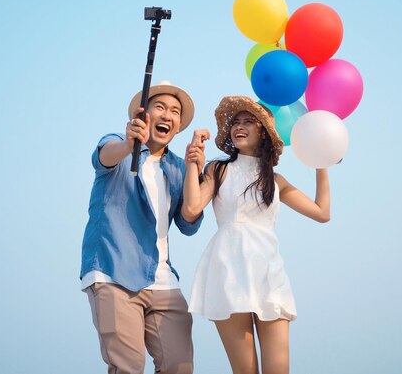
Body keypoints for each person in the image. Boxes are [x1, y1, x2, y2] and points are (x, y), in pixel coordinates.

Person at [182, 96, 331, 374]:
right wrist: (193, 164)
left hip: (268, 273)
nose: (239, 126)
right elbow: (190, 210)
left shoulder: (276, 181)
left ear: (262, 130)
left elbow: (322, 212)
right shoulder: (218, 169)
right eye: (235, 122)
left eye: (248, 121)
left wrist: (321, 162)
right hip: (228, 270)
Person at [80, 82, 205, 374]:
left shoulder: (177, 167)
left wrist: (194, 172)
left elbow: (188, 223)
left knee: (180, 366)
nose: (168, 115)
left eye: (175, 111)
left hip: (162, 280)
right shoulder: (118, 146)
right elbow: (103, 157)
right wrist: (128, 145)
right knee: (128, 367)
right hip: (114, 272)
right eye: (160, 107)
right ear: (144, 114)